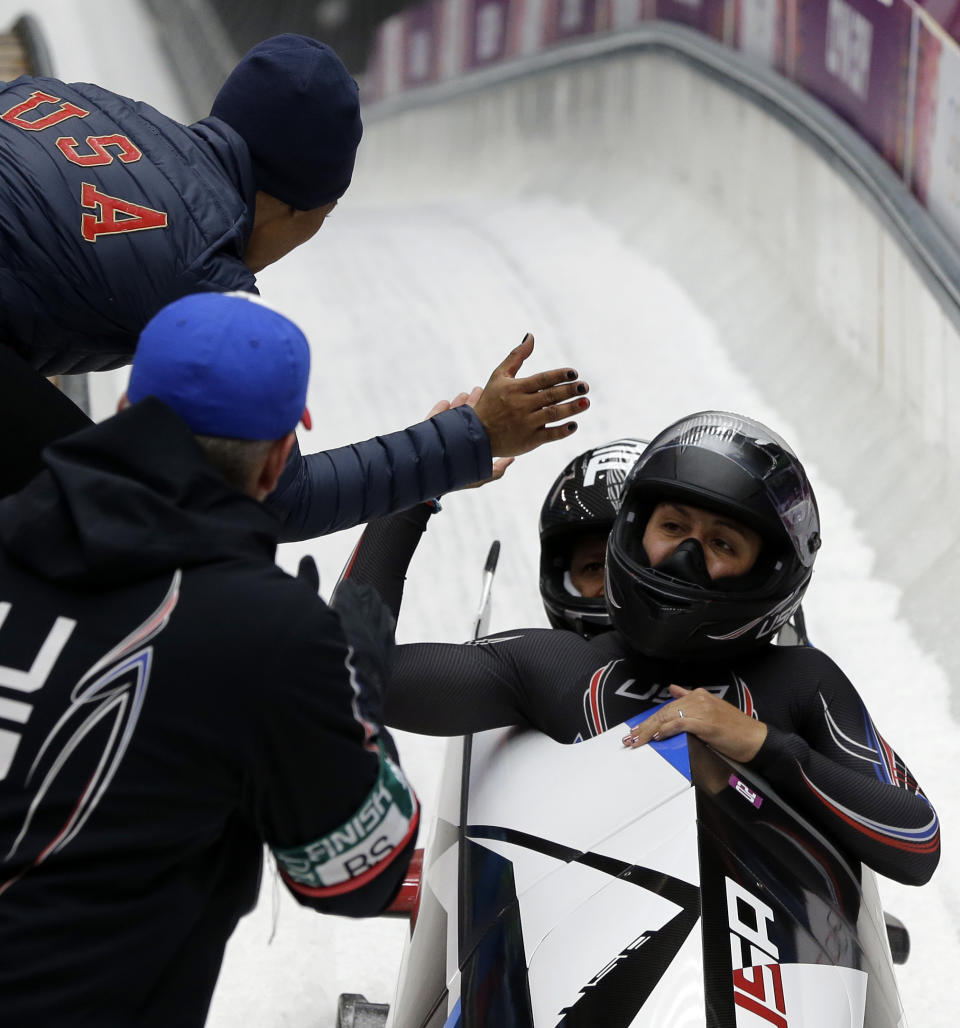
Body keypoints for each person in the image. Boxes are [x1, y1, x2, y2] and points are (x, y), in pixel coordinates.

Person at [0, 292, 433, 1025]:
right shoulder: (266, 637)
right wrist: (351, 674)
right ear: (276, 461)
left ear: (122, 410)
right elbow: (358, 875)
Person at [0, 35, 588, 519]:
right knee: (101, 527)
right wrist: (469, 438)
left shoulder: (80, 99)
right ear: (299, 210)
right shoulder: (205, 271)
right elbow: (276, 498)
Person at [347, 411, 940, 887]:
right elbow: (348, 679)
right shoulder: (559, 668)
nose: (685, 557)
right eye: (673, 528)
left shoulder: (803, 682)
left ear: (766, 572)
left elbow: (918, 844)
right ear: (635, 530)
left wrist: (761, 746)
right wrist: (410, 496)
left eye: (722, 543)